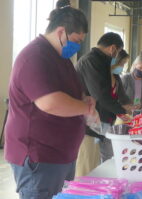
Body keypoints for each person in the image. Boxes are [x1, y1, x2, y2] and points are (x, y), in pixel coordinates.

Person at [4, 1, 97, 198]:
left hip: (60, 154)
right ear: (61, 32)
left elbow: (70, 92)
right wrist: (84, 108)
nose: (78, 46)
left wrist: (85, 100)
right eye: (76, 40)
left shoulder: (60, 58)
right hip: (39, 156)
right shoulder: (35, 56)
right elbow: (50, 103)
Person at [76, 32, 134, 163]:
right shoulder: (91, 61)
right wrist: (123, 112)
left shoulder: (101, 62)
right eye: (118, 52)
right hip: (88, 124)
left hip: (100, 121)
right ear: (113, 48)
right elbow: (101, 95)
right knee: (87, 166)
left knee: (101, 161)